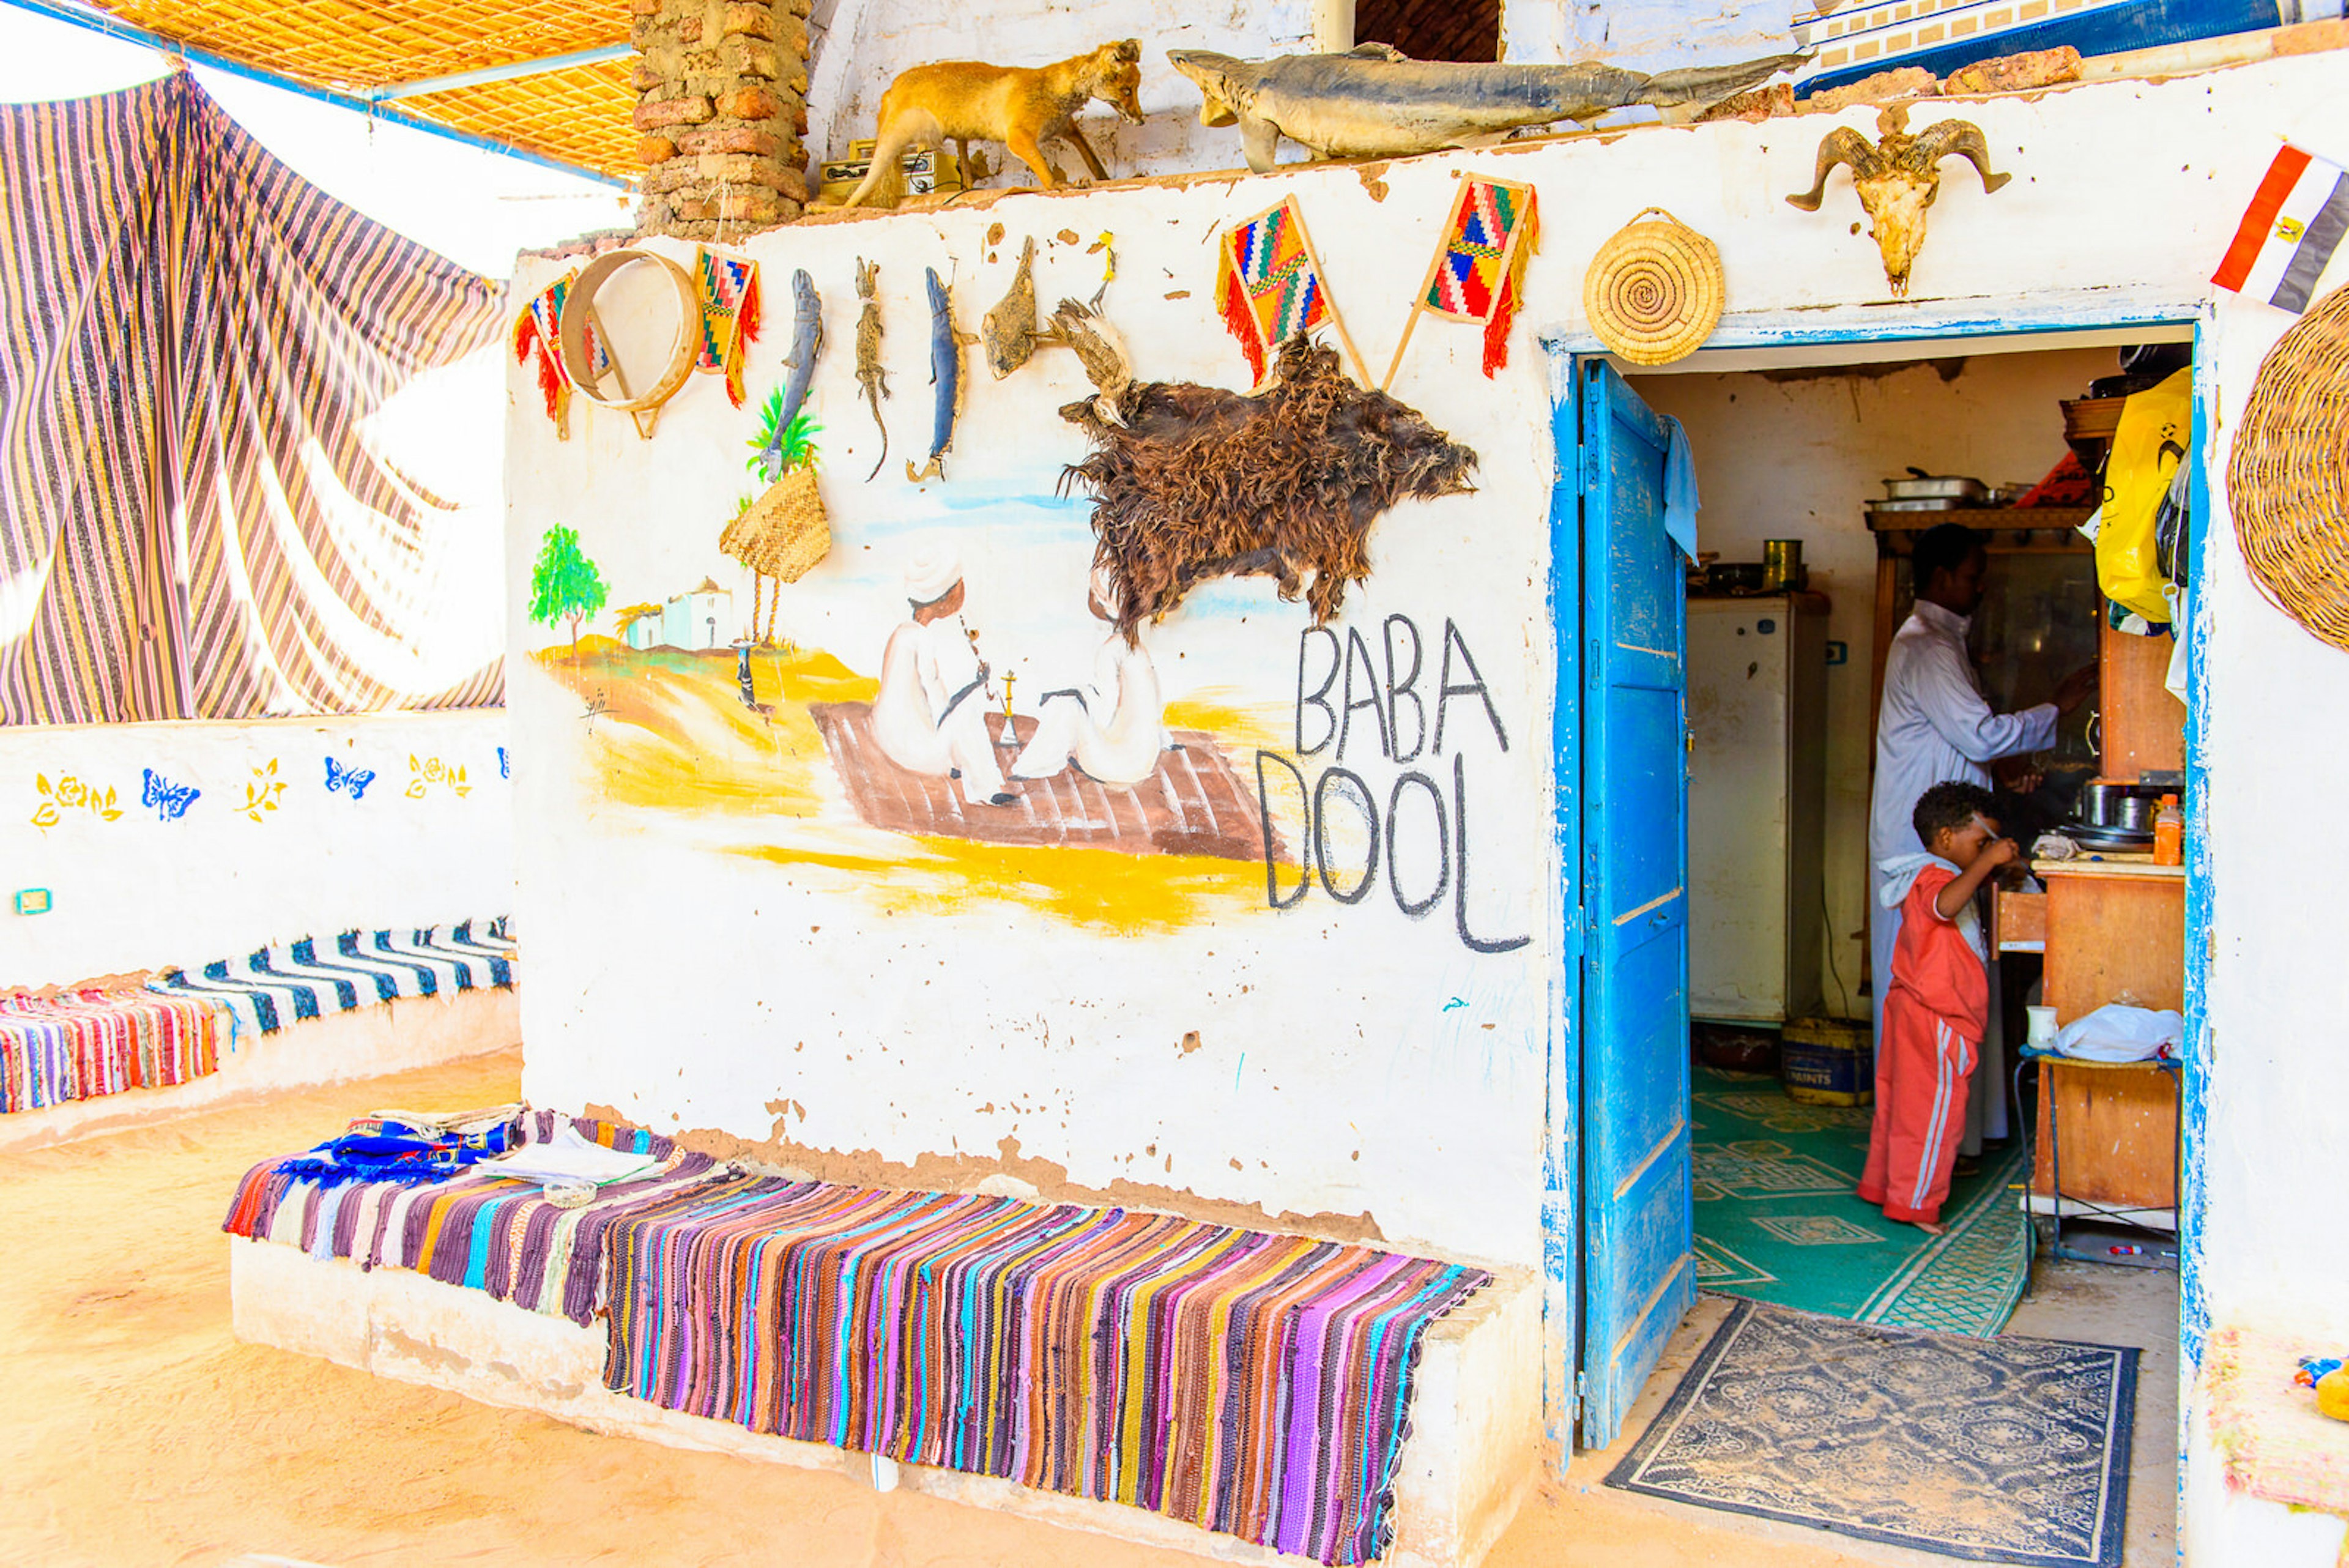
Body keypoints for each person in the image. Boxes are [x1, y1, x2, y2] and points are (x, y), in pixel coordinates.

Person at [1868, 522, 2095, 1153]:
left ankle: (1958, 1137)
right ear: (1942, 578)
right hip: (1925, 846)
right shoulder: (1928, 648)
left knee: (1958, 979)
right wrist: (2057, 708)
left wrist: (1999, 777)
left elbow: (1965, 742)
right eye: (1973, 575)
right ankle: (1920, 1142)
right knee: (1927, 992)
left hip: (1947, 836)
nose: (1982, 586)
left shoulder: (1941, 643)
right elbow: (1980, 736)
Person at [1859, 781, 2017, 1233]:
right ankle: (1916, 1204)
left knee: (1900, 1107)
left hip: (1911, 1007)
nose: (1986, 851)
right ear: (1947, 838)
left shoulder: (1929, 871)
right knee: (1933, 1116)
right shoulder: (1937, 877)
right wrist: (1988, 861)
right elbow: (1945, 907)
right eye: (1980, 842)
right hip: (1938, 1018)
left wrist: (1990, 867)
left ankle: (1883, 1185)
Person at [870, 546, 1014, 806]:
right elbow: (938, 698)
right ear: (944, 597)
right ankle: (987, 791)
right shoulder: (920, 638)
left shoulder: (904, 632)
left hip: (891, 736)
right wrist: (976, 687)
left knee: (960, 711)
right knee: (965, 713)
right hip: (911, 749)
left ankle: (961, 767)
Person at [1010, 563, 1172, 787]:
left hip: (1117, 765)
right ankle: (1040, 762)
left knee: (1067, 705)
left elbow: (1104, 709)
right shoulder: (1139, 650)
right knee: (1074, 698)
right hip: (1143, 762)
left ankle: (1031, 766)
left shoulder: (1112, 648)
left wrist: (1071, 694)